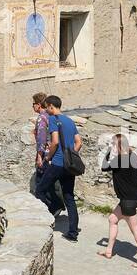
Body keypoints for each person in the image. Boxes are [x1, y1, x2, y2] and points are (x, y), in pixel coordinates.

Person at [99, 132, 137, 269]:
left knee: (135, 230)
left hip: (127, 201)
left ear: (118, 146)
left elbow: (104, 167)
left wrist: (108, 151)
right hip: (133, 197)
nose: (112, 146)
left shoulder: (119, 160)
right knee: (112, 219)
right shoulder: (132, 156)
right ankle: (109, 251)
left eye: (113, 144)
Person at [35, 95, 81, 241]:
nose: (46, 110)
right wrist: (71, 155)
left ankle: (45, 221)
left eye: (47, 107)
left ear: (50, 106)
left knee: (40, 190)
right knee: (69, 197)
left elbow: (54, 142)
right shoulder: (70, 121)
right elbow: (79, 142)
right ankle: (73, 233)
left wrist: (48, 158)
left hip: (57, 163)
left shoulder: (54, 120)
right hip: (69, 166)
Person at [30, 92, 50, 198]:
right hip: (52, 153)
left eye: (33, 103)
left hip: (45, 154)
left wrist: (39, 156)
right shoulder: (50, 116)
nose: (33, 106)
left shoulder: (41, 118)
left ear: (38, 104)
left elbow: (41, 139)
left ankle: (47, 208)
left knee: (41, 184)